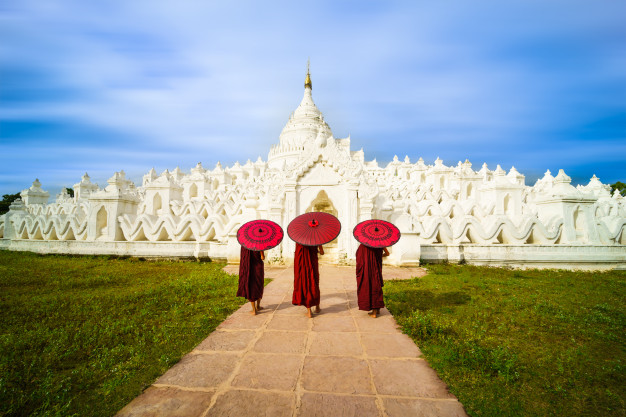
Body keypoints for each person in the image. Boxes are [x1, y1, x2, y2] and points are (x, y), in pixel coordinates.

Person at [355, 244, 389, 318]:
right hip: (376, 269)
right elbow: (387, 254)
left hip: (367, 271)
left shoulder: (363, 245)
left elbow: (358, 257)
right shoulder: (381, 244)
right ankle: (377, 309)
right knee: (376, 286)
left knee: (369, 286)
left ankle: (374, 313)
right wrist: (379, 256)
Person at [292, 243, 324, 318]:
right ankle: (317, 307)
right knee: (314, 280)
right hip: (313, 260)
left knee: (304, 281)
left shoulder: (298, 234)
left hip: (301, 260)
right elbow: (321, 250)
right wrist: (321, 250)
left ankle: (309, 311)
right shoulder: (315, 233)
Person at [237, 246, 265, 315]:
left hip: (248, 268)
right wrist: (262, 254)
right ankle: (257, 306)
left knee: (251, 284)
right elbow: (262, 257)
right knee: (259, 284)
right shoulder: (258, 240)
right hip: (257, 266)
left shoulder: (244, 242)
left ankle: (254, 309)